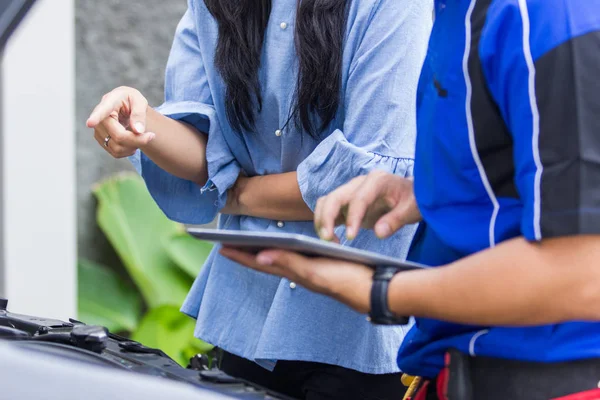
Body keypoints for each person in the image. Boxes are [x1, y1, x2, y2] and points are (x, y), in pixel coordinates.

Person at [221, 0, 600, 398]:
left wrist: (381, 292)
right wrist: (426, 190)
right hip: (453, 373)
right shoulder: (456, 12)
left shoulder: (549, 14)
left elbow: (581, 272)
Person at [87, 0, 433, 399]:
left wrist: (238, 193)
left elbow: (373, 184)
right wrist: (145, 122)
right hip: (249, 312)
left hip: (359, 329)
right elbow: (203, 146)